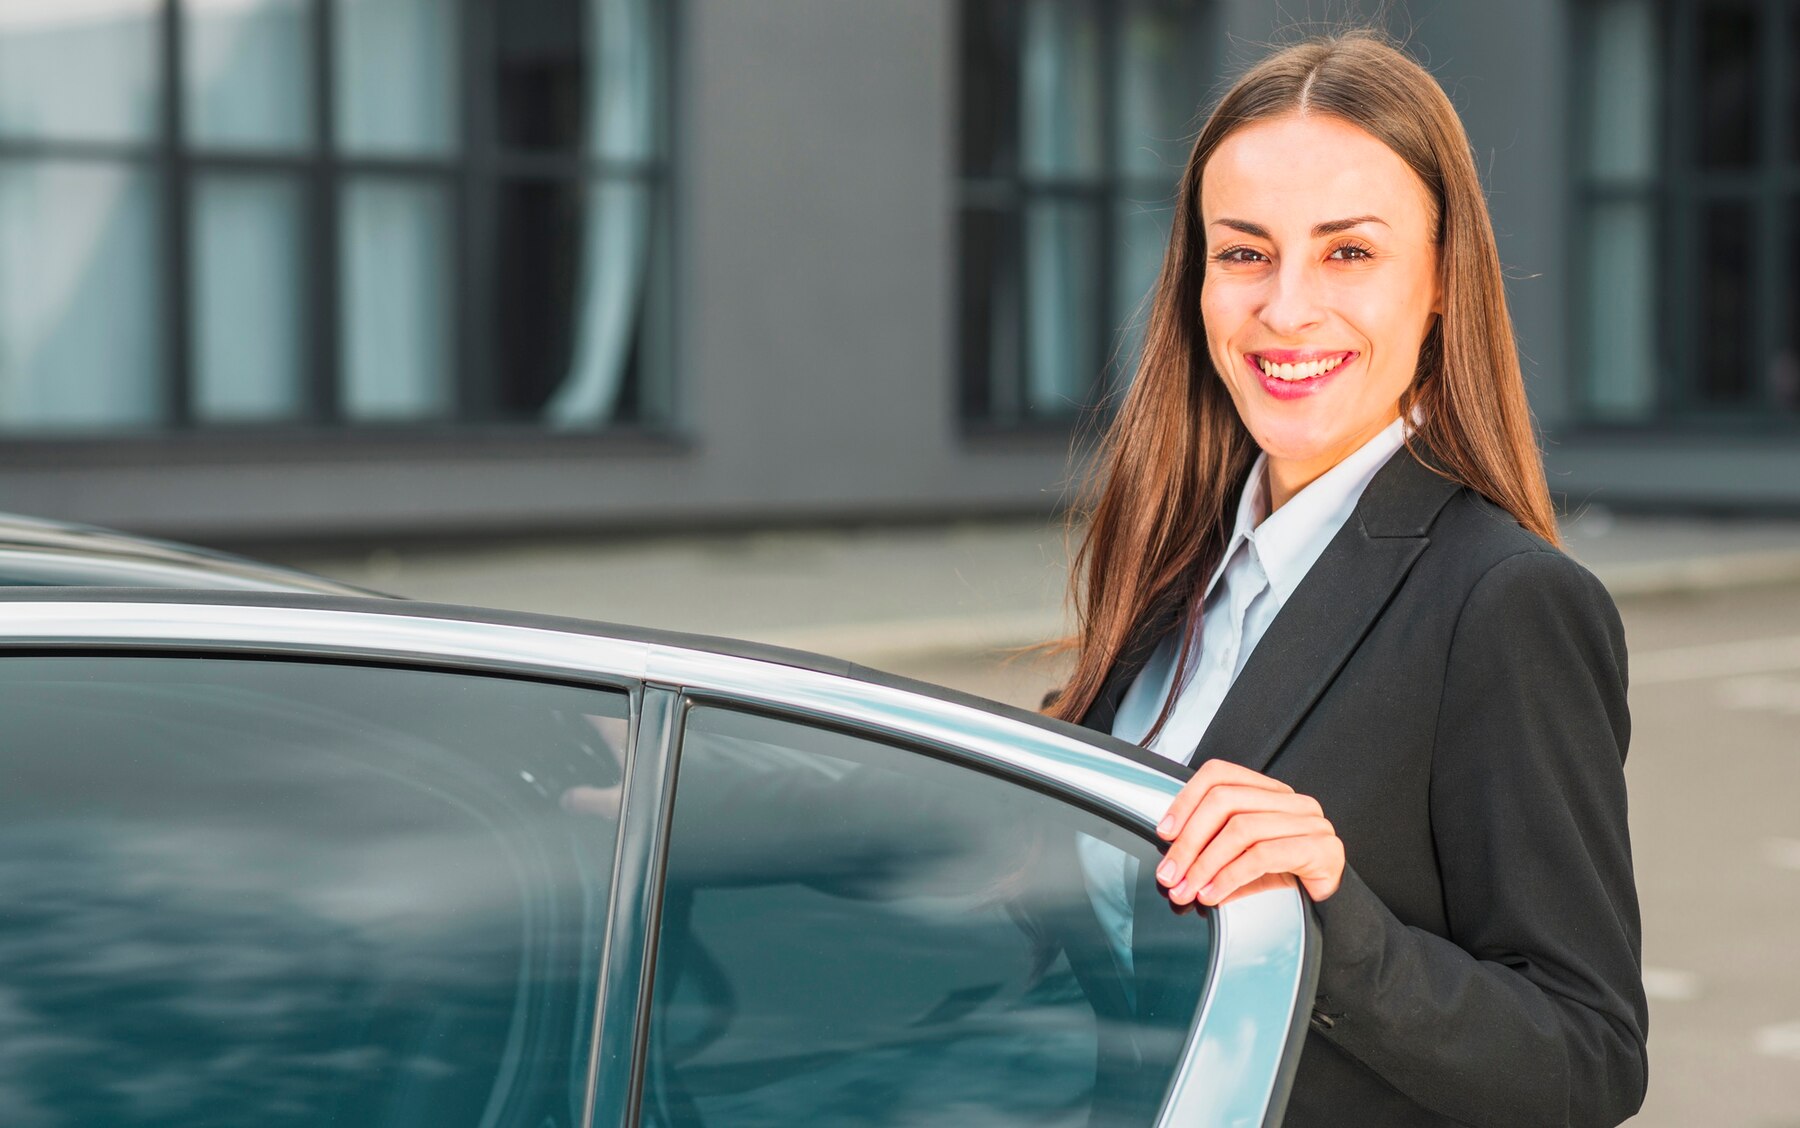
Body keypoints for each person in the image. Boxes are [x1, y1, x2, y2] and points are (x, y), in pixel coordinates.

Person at [1038, 29, 1649, 1127]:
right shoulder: (1174, 570)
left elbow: (1587, 1057)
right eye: (1244, 254)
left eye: (1349, 253)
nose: (1286, 309)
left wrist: (1332, 911)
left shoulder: (1505, 602)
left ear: (1441, 284)